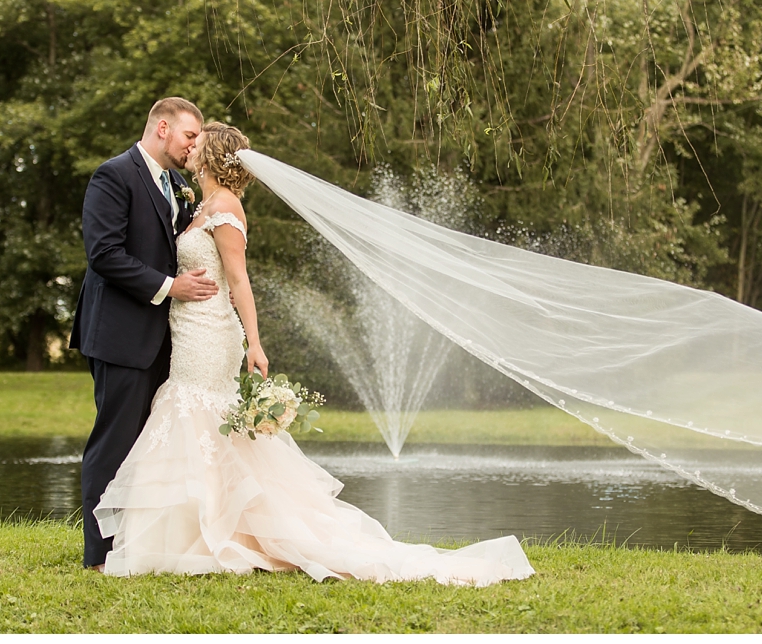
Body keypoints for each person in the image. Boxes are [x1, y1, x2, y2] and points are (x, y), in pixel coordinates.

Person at [92, 122, 534, 585]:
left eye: (197, 142)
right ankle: (195, 533)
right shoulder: (198, 203)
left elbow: (240, 281)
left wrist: (255, 343)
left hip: (211, 331)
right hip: (187, 326)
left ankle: (217, 533)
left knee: (195, 411)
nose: (190, 147)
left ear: (212, 156)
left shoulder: (225, 208)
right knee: (196, 417)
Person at [70, 97, 219, 571]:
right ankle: (99, 556)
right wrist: (171, 286)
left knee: (149, 448)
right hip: (119, 334)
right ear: (161, 128)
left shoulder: (176, 185)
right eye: (190, 135)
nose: (195, 145)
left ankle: (138, 546)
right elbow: (105, 254)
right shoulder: (113, 175)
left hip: (166, 339)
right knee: (114, 443)